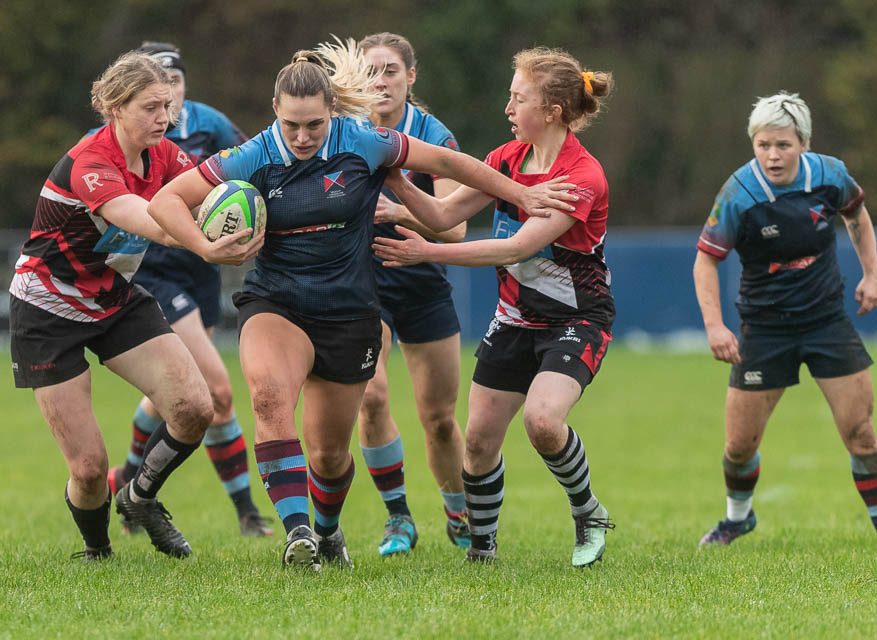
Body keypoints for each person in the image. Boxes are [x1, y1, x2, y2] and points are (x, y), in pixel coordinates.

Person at [149, 38, 574, 570]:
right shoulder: (252, 153)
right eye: (291, 125)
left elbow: (448, 162)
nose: (302, 137)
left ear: (333, 112)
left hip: (349, 312)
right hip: (275, 302)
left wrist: (520, 194)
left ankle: (327, 532)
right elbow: (166, 200)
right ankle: (298, 532)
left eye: (314, 125)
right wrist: (206, 247)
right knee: (268, 399)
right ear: (275, 113)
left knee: (329, 454)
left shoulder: (365, 140)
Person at [8, 51, 261, 561]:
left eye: (167, 106)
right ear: (115, 107)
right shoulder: (91, 162)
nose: (164, 118)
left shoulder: (166, 154)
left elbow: (206, 188)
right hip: (46, 310)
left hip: (115, 298)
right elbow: (144, 217)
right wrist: (205, 245)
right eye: (150, 107)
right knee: (88, 467)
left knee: (196, 409)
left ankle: (141, 497)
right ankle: (97, 550)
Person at [374, 47, 616, 567]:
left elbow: (514, 248)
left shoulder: (582, 178)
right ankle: (482, 552)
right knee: (478, 442)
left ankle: (587, 511)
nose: (507, 108)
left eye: (518, 98)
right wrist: (395, 178)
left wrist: (425, 252)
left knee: (543, 423)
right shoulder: (506, 159)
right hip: (515, 320)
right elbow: (441, 212)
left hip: (576, 320)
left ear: (551, 111)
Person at [693, 92, 877, 548]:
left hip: (827, 320)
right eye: (763, 144)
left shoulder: (829, 175)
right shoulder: (739, 193)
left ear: (803, 143)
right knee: (739, 446)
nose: (772, 155)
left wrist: (872, 275)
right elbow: (706, 261)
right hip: (765, 327)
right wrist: (714, 325)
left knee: (861, 433)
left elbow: (858, 216)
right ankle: (737, 518)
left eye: (783, 145)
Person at [105, 42, 272, 539]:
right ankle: (245, 512)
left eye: (175, 85)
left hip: (201, 269)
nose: (169, 98)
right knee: (217, 389)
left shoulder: (210, 125)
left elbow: (257, 165)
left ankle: (126, 481)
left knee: (166, 396)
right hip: (155, 270)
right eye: (158, 90)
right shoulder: (124, 137)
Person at [355, 32, 470, 556]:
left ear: (410, 77)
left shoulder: (432, 136)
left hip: (423, 283)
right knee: (372, 396)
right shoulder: (344, 132)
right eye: (371, 71)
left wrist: (403, 210)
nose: (380, 81)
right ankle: (398, 517)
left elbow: (456, 232)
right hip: (361, 283)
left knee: (441, 421)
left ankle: (459, 510)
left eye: (391, 72)